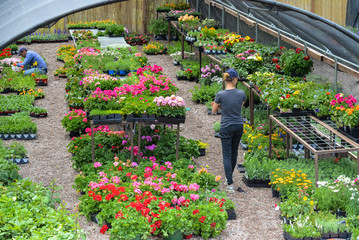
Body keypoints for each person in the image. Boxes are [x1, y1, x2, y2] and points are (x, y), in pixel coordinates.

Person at [211, 68, 246, 194]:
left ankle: (230, 183)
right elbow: (238, 106)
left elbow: (214, 111)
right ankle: (228, 178)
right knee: (234, 152)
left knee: (226, 154)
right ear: (235, 79)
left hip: (226, 126)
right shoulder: (241, 93)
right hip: (238, 125)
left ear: (225, 80)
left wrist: (218, 105)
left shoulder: (220, 95)